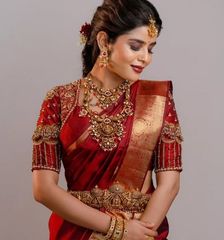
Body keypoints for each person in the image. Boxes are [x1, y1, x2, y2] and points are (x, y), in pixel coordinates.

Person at [31, 0, 183, 239]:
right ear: (104, 42)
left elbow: (170, 184)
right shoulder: (59, 100)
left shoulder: (157, 100)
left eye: (150, 48)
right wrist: (119, 230)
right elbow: (43, 189)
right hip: (77, 232)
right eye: (136, 46)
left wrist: (140, 233)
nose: (145, 58)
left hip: (143, 232)